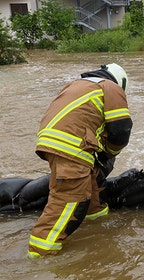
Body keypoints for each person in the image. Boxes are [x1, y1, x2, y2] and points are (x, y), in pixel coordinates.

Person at [28, 64, 133, 258]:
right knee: (70, 199)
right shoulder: (110, 88)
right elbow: (120, 131)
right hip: (72, 145)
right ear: (121, 82)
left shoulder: (79, 85)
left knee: (93, 186)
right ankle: (39, 255)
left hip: (53, 141)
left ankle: (96, 224)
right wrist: (109, 153)